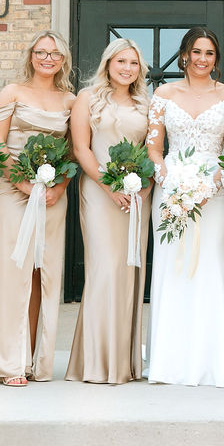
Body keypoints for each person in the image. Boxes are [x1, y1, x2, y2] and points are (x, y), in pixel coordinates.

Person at [0, 32, 76, 385]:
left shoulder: (70, 100)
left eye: (55, 54)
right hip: (12, 189)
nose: (48, 58)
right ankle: (8, 363)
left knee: (40, 276)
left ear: (64, 60)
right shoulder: (12, 92)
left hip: (50, 195)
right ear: (31, 55)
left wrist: (59, 188)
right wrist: (22, 183)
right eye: (41, 52)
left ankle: (33, 358)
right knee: (10, 271)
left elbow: (73, 153)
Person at [146, 27, 224, 387]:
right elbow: (154, 147)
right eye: (197, 52)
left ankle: (211, 358)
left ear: (216, 59)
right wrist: (167, 178)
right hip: (170, 191)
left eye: (210, 53)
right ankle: (170, 360)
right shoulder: (163, 94)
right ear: (185, 54)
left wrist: (209, 185)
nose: (203, 59)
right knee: (173, 267)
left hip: (214, 194)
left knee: (210, 265)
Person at [66, 39, 151, 384]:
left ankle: (122, 363)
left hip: (135, 196)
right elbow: (81, 148)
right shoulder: (87, 99)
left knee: (127, 268)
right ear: (108, 63)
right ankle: (98, 362)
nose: (127, 68)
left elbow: (151, 149)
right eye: (121, 61)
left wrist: (140, 186)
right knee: (103, 268)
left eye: (133, 63)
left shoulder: (146, 103)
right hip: (100, 192)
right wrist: (108, 185)